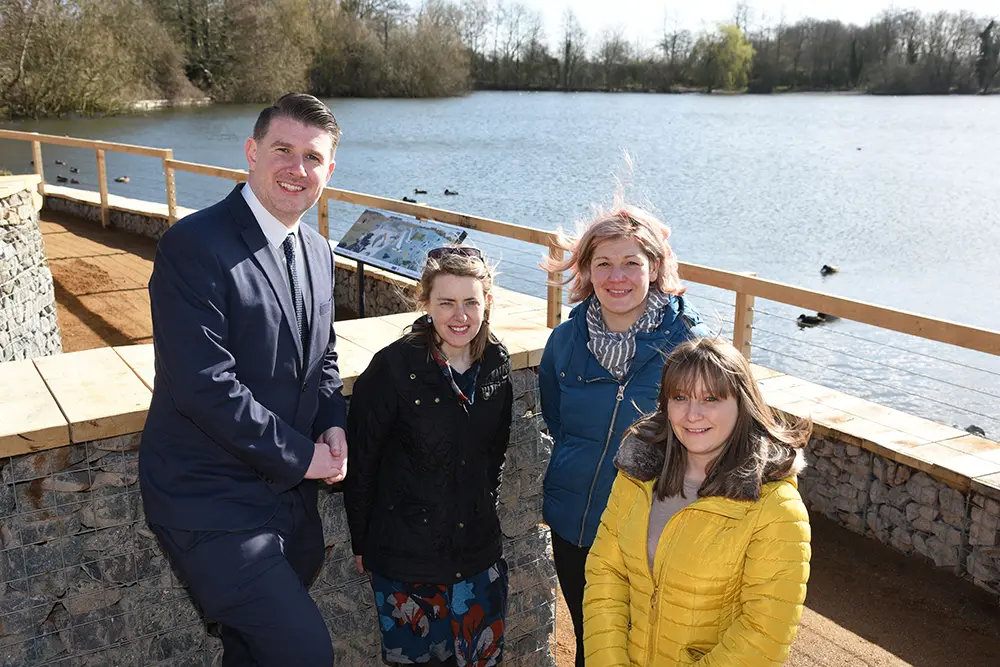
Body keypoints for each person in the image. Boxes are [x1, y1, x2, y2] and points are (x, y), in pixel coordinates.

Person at [139, 93, 348, 667]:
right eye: (283, 149)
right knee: (305, 653)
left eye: (312, 157)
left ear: (328, 171)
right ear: (252, 152)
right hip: (208, 500)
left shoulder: (318, 250)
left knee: (253, 652)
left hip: (286, 505)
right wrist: (303, 456)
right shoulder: (194, 245)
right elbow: (205, 385)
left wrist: (333, 424)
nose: (296, 168)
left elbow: (322, 358)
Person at [538, 203, 707, 666]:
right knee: (593, 647)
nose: (618, 277)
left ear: (655, 268)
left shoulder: (690, 348)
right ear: (588, 271)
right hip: (576, 526)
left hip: (651, 536)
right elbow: (558, 421)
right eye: (604, 263)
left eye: (632, 262)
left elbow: (720, 441)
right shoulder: (564, 342)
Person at [583, 337, 812, 667]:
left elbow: (763, 636)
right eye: (680, 397)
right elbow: (606, 574)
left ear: (741, 404)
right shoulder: (637, 475)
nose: (692, 414)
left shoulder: (775, 508)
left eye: (710, 398)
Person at [345, 247, 513, 667]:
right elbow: (362, 463)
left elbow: (495, 455)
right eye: (446, 303)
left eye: (471, 302)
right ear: (425, 303)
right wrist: (362, 542)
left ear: (486, 302)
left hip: (477, 557)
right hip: (408, 562)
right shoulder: (392, 368)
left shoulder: (496, 362)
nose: (461, 316)